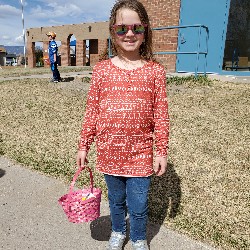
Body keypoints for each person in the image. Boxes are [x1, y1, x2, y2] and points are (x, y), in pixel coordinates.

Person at [76, 0, 169, 249]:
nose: (129, 34)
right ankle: (118, 231)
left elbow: (161, 114)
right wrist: (84, 145)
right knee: (116, 201)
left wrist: (161, 150)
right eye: (122, 28)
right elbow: (92, 110)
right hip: (109, 151)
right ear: (112, 31)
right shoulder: (101, 71)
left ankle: (138, 237)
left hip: (140, 153)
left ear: (145, 31)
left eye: (136, 28)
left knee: (138, 204)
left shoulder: (155, 72)